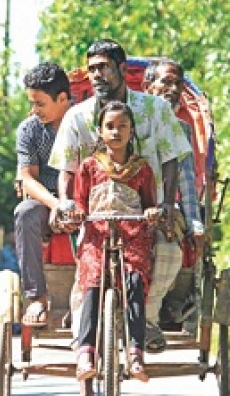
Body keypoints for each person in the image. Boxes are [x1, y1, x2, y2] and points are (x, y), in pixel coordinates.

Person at [48, 39, 193, 355]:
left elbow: (171, 159)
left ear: (122, 69)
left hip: (148, 212)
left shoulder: (156, 110)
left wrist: (167, 204)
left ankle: (148, 319)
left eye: (103, 68)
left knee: (170, 253)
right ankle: (83, 339)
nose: (96, 75)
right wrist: (65, 202)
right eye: (92, 70)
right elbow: (67, 168)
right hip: (96, 215)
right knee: (87, 274)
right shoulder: (77, 117)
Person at [68, 101, 158, 383]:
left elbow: (150, 205)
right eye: (110, 126)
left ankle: (135, 353)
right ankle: (85, 353)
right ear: (100, 131)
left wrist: (153, 213)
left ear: (132, 131)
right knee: (93, 283)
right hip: (97, 235)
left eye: (122, 126)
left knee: (134, 281)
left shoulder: (142, 170)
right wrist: (77, 212)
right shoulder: (89, 166)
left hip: (132, 236)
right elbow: (80, 202)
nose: (116, 132)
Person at [142, 58, 204, 330]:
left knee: (169, 249)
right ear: (147, 86)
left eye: (178, 83)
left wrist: (194, 221)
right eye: (165, 81)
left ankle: (150, 313)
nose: (173, 88)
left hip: (165, 209)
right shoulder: (127, 118)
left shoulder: (183, 128)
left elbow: (187, 179)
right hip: (126, 203)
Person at [14, 61, 72, 327]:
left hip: (84, 199)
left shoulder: (86, 123)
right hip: (47, 200)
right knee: (24, 213)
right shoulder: (29, 129)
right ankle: (37, 298)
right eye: (32, 103)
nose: (33, 111)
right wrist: (56, 204)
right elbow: (27, 177)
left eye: (40, 104)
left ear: (62, 99)